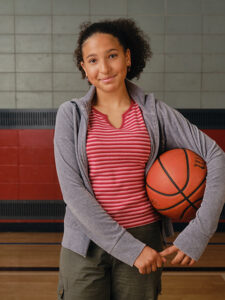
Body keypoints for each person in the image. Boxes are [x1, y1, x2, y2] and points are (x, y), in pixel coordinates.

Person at [54, 18, 225, 300]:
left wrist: (199, 232)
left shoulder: (154, 112)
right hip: (86, 243)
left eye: (112, 56)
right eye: (93, 60)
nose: (105, 68)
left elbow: (215, 155)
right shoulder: (70, 115)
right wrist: (130, 250)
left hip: (145, 238)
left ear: (128, 57)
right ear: (84, 68)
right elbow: (73, 193)